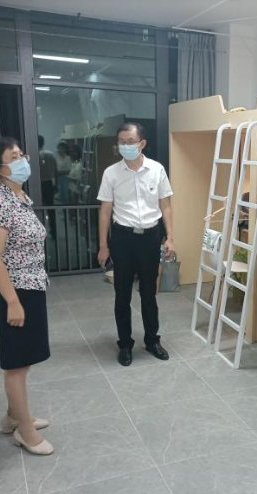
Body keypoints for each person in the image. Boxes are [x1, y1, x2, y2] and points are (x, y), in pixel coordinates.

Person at [0, 137, 54, 456]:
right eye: (14, 157)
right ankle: (25, 432)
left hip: (31, 286)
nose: (23, 160)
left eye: (22, 154)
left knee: (23, 358)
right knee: (17, 365)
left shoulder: (19, 196)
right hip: (14, 290)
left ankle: (13, 417)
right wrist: (12, 302)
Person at [97, 122, 175, 367]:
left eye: (130, 142)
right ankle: (125, 344)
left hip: (151, 237)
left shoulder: (157, 169)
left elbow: (165, 205)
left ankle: (152, 340)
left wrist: (170, 237)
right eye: (122, 142)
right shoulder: (111, 173)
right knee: (122, 294)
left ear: (142, 143)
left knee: (149, 293)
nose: (126, 146)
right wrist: (103, 245)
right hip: (123, 238)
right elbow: (105, 210)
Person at [38, 135, 58, 206]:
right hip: (49, 183)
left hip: (37, 183)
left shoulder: (33, 155)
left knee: (38, 204)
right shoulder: (51, 154)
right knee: (50, 204)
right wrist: (56, 185)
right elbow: (56, 171)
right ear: (43, 143)